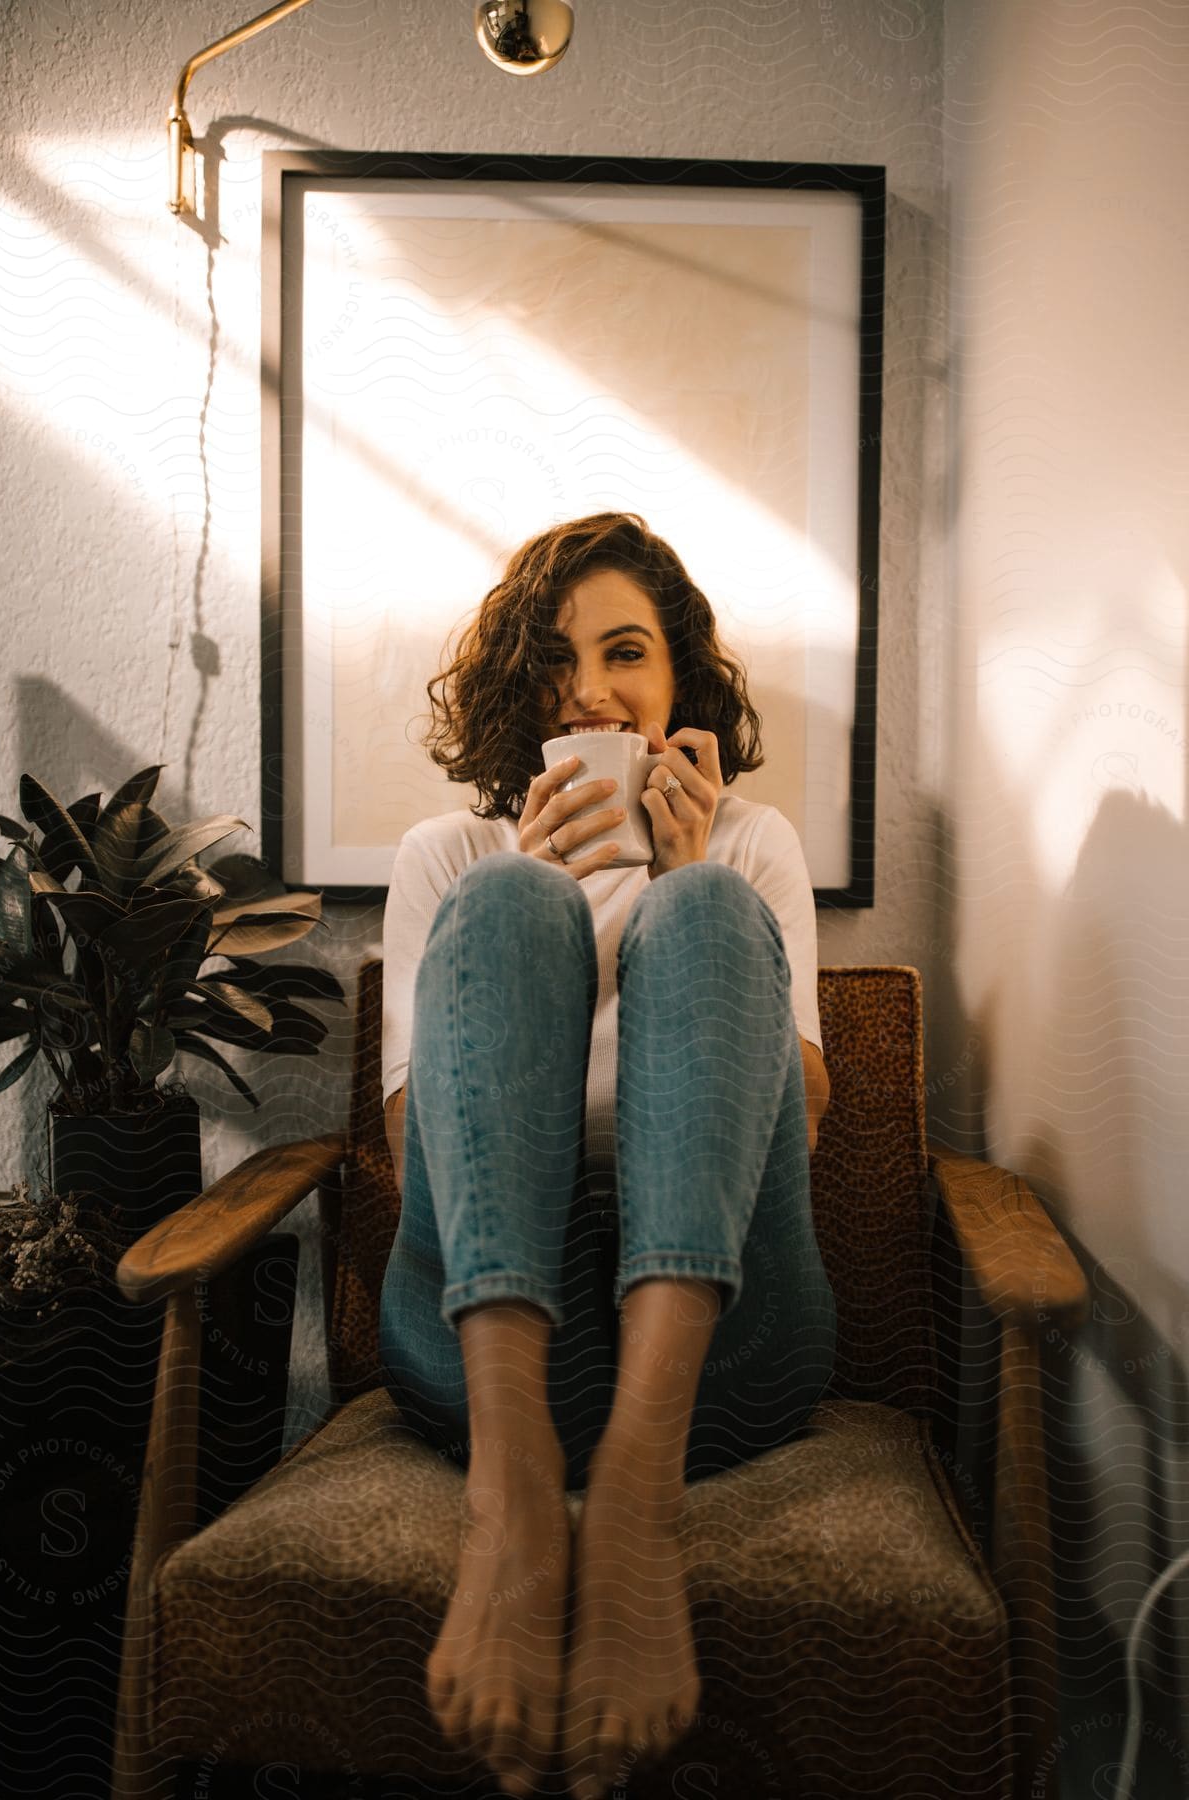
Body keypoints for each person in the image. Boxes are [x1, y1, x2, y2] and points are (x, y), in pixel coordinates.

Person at [378, 511, 836, 1800]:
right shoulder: (454, 859)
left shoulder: (753, 847)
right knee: (514, 903)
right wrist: (511, 917)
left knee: (700, 910)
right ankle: (514, 1498)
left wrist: (691, 889)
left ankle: (635, 1505)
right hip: (483, 1354)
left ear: (677, 678)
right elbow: (417, 1149)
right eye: (555, 665)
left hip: (721, 1362)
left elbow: (795, 1126)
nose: (592, 691)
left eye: (624, 652)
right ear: (522, 702)